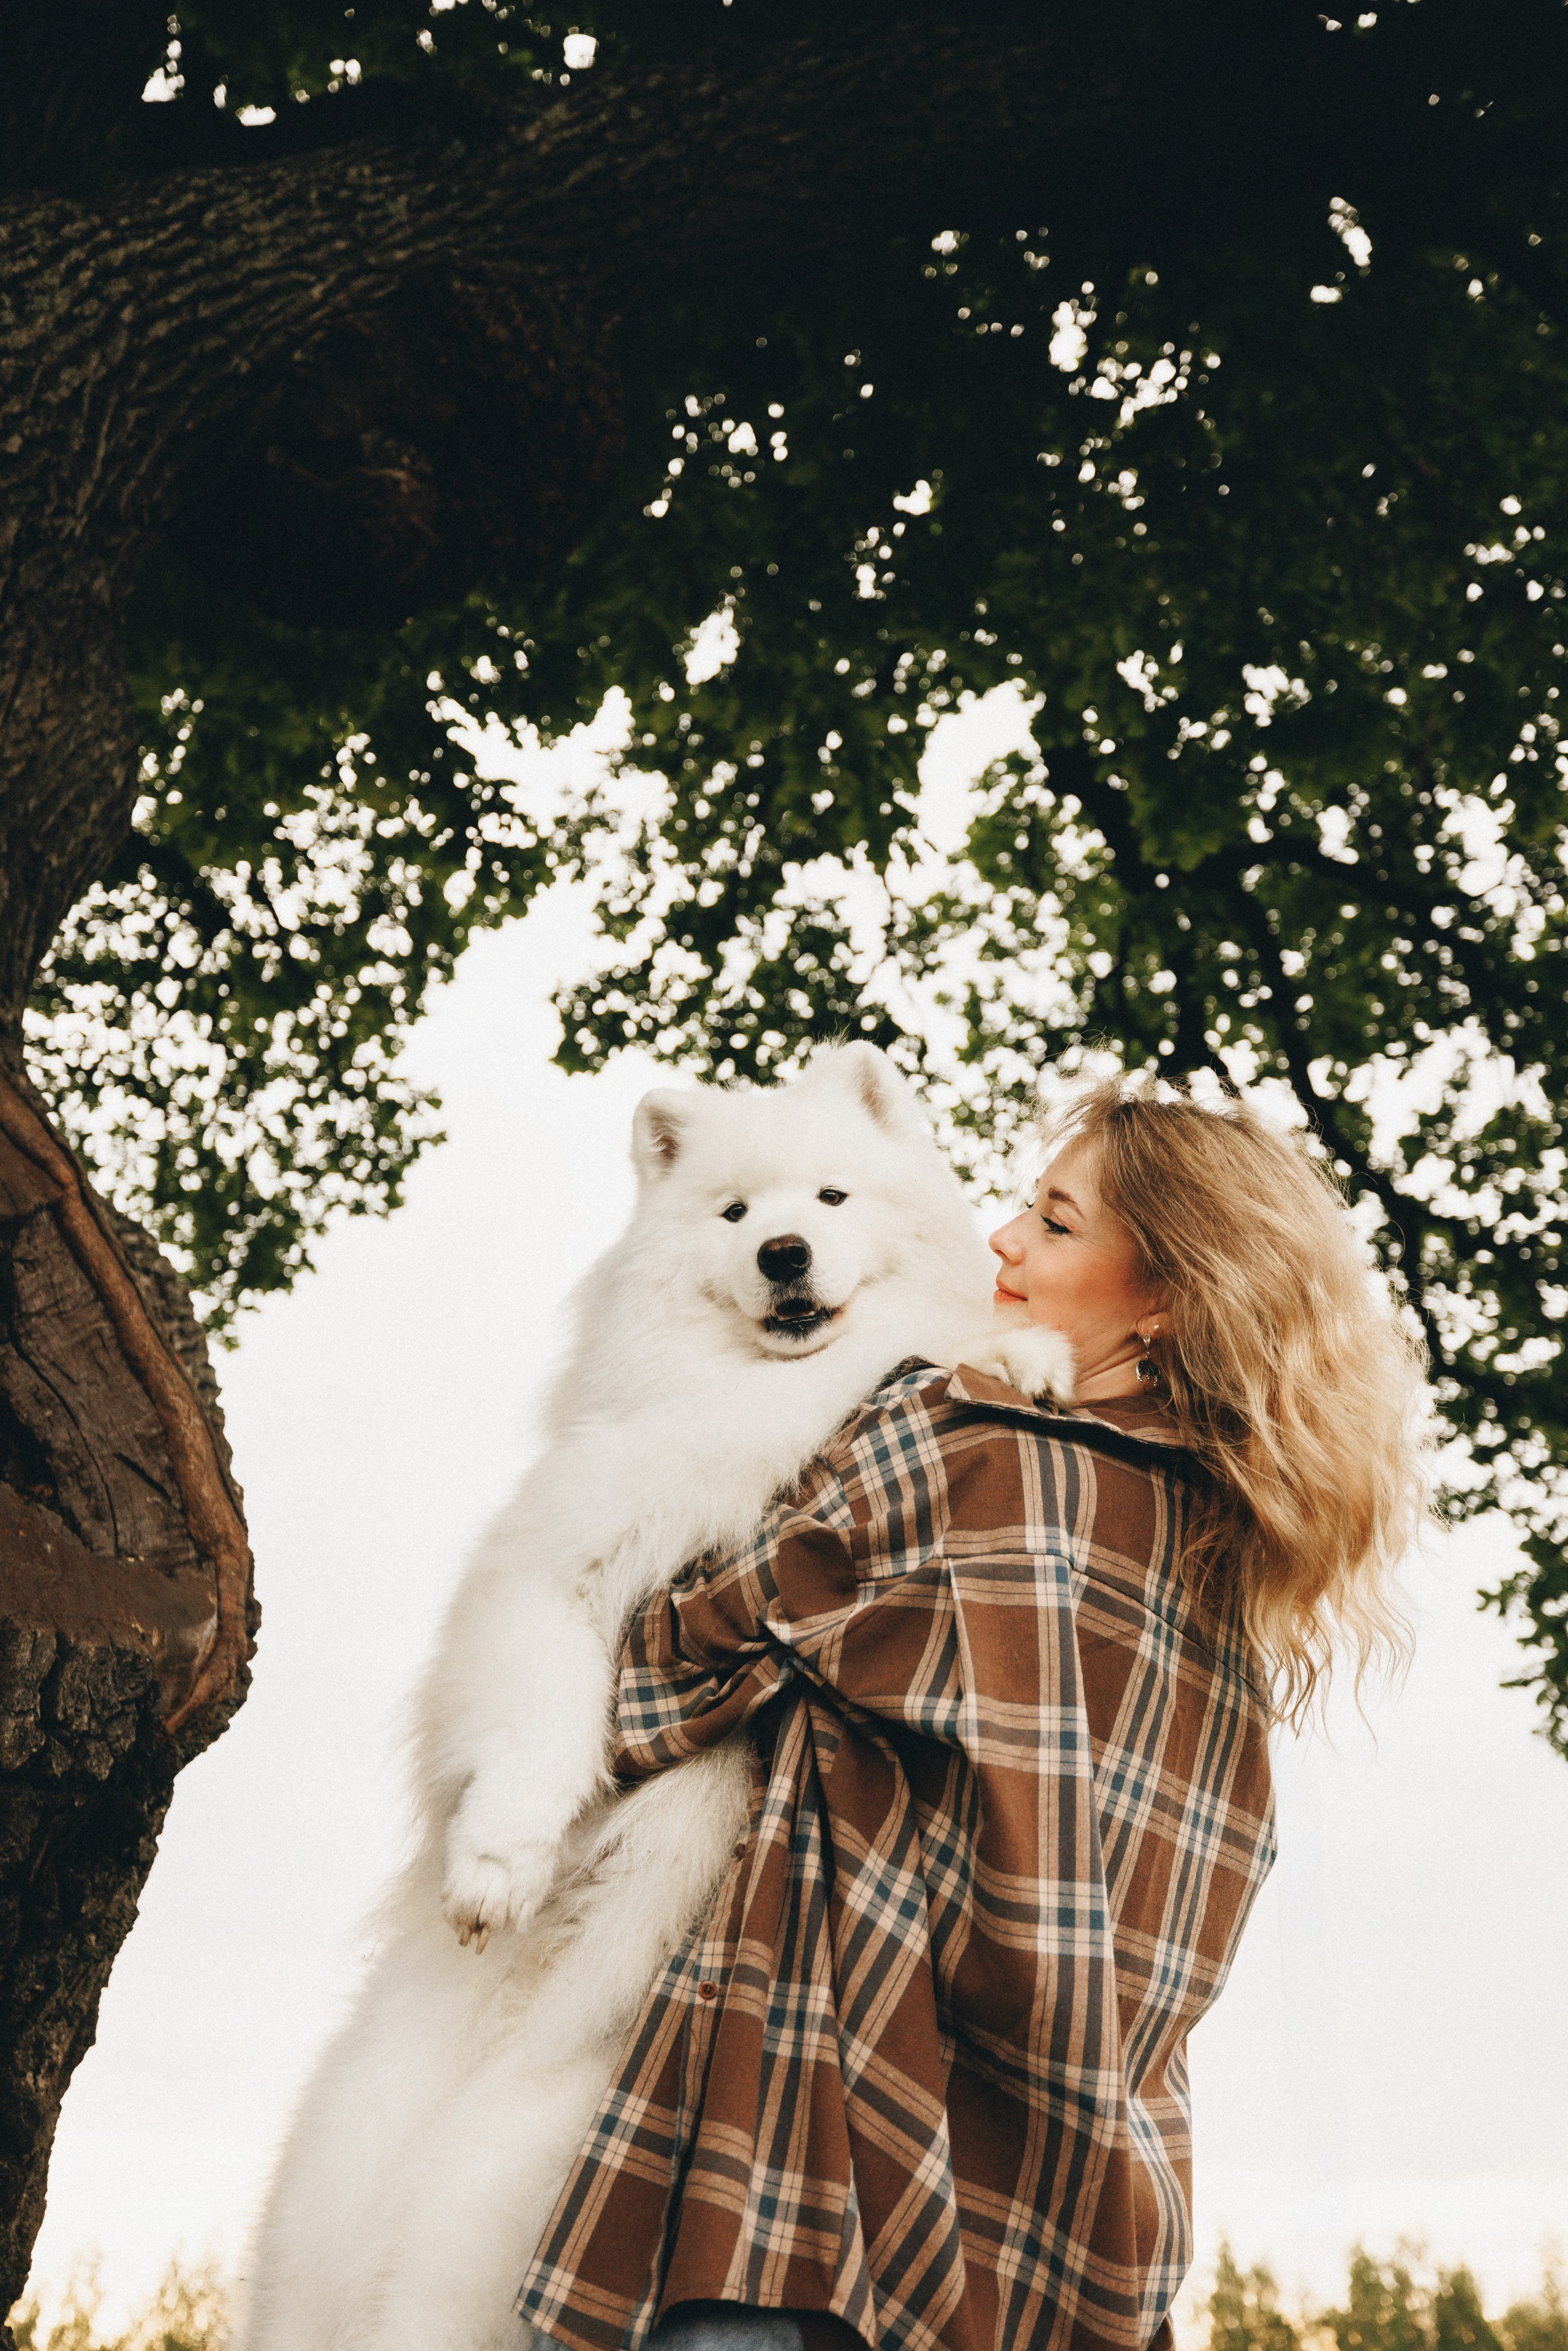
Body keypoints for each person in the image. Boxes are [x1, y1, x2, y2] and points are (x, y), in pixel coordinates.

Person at [518, 1076, 1429, 2351]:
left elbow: (651, 1682)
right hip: (1070, 2215)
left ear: (1167, 1294)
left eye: (1053, 1223)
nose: (1000, 1238)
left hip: (809, 2185)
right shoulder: (1226, 1563)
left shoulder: (961, 1444)